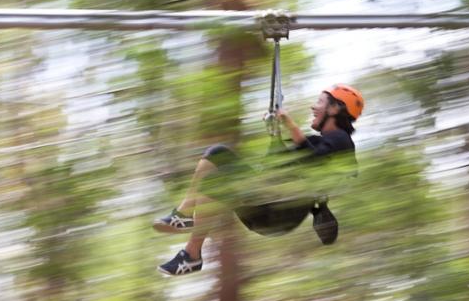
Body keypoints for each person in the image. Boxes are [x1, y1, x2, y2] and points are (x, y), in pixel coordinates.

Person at [154, 84, 364, 276]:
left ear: (335, 109)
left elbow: (314, 163)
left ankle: (191, 252)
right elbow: (278, 164)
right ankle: (184, 219)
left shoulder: (341, 141)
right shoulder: (317, 141)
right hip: (267, 207)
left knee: (217, 180)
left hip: (279, 211)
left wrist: (291, 126)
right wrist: (274, 134)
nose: (313, 106)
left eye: (319, 102)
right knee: (217, 154)